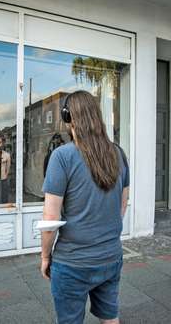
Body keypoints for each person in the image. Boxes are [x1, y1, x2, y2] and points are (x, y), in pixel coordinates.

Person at [40, 90, 130, 324]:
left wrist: (45, 256)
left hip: (73, 262)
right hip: (111, 256)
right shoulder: (118, 153)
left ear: (68, 117)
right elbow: (123, 203)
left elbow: (50, 218)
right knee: (110, 317)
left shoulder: (62, 156)